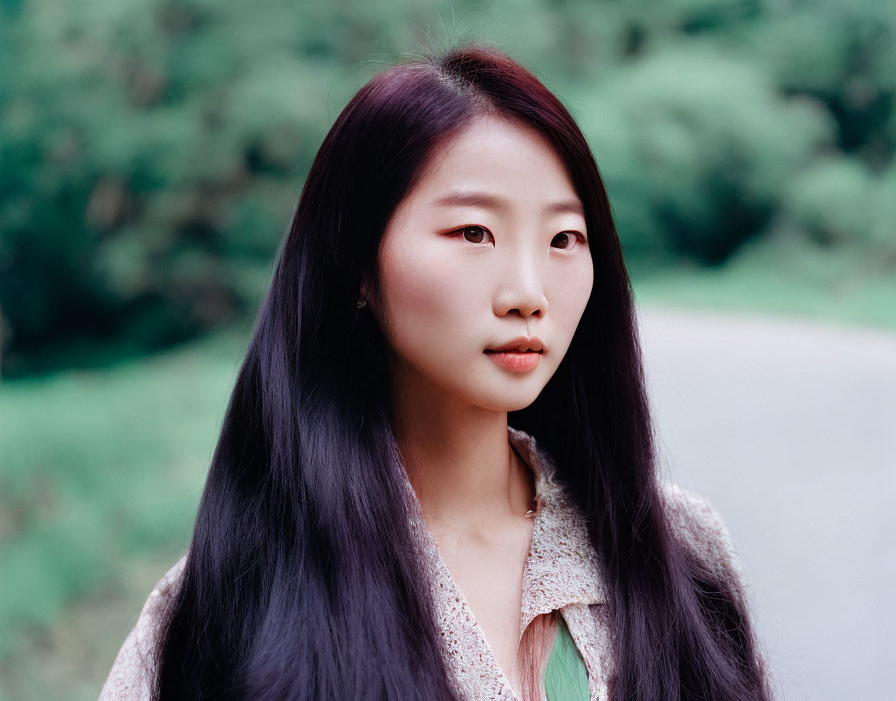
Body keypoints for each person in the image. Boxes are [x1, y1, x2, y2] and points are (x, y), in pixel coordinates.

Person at [99, 43, 771, 701]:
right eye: (474, 233)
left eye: (564, 238)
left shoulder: (675, 556)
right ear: (359, 262)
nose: (528, 292)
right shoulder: (231, 602)